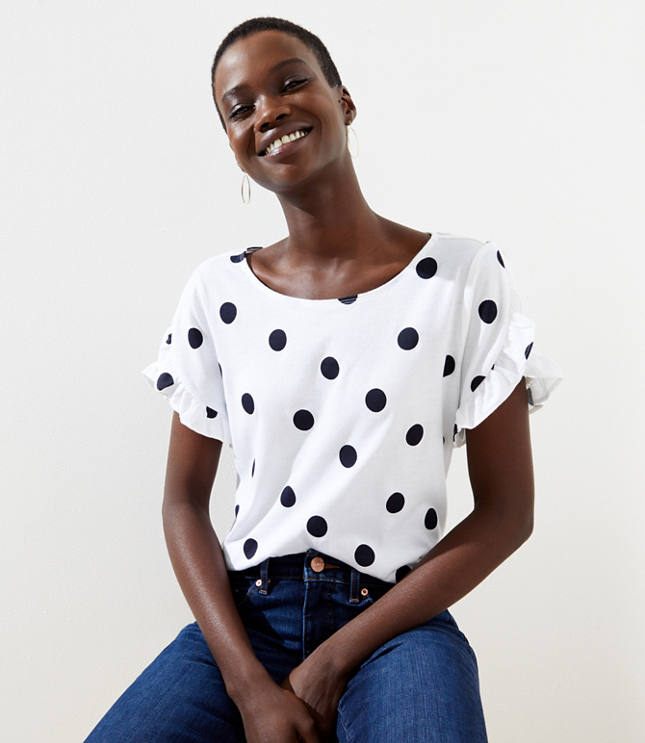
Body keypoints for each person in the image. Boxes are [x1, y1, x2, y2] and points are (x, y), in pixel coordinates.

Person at [84, 15, 563, 743]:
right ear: (233, 142)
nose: (268, 112)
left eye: (290, 83)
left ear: (343, 100)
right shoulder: (217, 293)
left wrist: (335, 659)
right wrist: (247, 686)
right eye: (240, 107)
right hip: (246, 624)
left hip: (398, 624)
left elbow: (507, 512)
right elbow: (182, 502)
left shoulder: (462, 277)